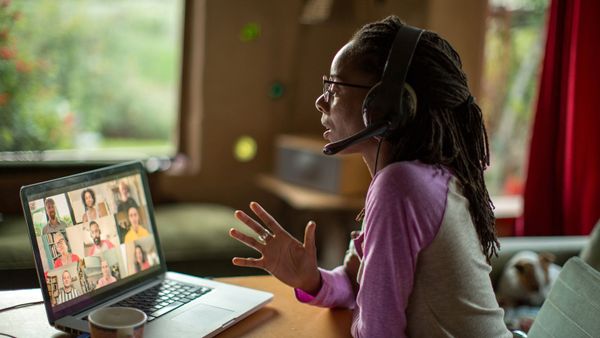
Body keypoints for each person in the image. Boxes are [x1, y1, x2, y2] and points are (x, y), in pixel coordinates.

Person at [229, 16, 511, 337]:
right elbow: (355, 283)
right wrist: (312, 279)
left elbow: (377, 332)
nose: (321, 101)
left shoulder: (402, 186)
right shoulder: (426, 176)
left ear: (385, 106)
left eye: (334, 87)